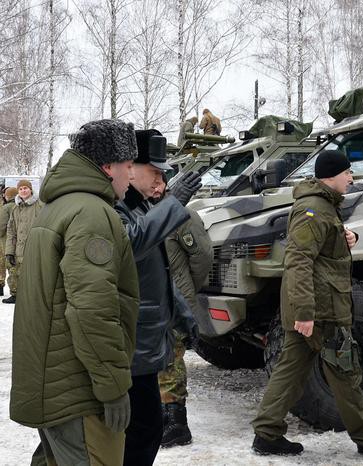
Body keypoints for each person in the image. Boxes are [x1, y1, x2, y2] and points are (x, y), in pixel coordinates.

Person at [251, 150, 363, 456]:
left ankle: (267, 433)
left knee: (290, 371)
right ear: (331, 176)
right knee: (345, 371)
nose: (351, 178)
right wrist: (306, 313)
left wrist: (347, 239)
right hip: (320, 310)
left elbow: (322, 251)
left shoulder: (322, 207)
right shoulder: (313, 210)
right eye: (347, 173)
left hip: (315, 307)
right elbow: (298, 262)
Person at [10, 118, 140, 465]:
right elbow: (91, 310)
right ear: (108, 165)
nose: (132, 175)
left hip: (56, 385)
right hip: (79, 392)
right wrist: (113, 387)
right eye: (129, 165)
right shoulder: (92, 213)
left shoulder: (58, 207)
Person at [115, 129, 202, 466]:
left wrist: (182, 314)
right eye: (155, 172)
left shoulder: (141, 208)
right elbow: (129, 246)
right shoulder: (115, 207)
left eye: (164, 176)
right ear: (129, 167)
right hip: (130, 341)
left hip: (147, 341)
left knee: (146, 429)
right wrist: (171, 204)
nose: (161, 182)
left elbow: (157, 272)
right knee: (140, 431)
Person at [152, 177, 214, 448]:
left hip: (176, 300)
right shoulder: (147, 216)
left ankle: (178, 423)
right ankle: (164, 415)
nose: (154, 188)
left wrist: (187, 286)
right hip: (156, 299)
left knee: (172, 358)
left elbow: (203, 256)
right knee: (158, 358)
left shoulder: (183, 215)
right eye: (150, 181)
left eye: (159, 182)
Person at [4, 179, 42, 304]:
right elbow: (11, 231)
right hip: (18, 250)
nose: (23, 191)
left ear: (30, 189)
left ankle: (35, 299)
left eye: (25, 188)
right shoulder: (16, 208)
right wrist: (9, 252)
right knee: (17, 274)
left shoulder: (40, 205)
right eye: (20, 189)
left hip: (35, 249)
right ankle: (17, 296)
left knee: (35, 276)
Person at [0, 187, 18, 297]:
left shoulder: (6, 208)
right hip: (19, 241)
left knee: (8, 265)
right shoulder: (20, 206)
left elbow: (1, 226)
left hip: (6, 241)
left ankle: (13, 291)